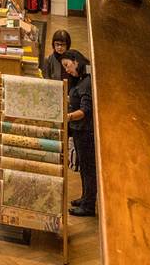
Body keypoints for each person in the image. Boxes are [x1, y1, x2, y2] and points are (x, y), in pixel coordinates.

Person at [62, 50, 96, 217]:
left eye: (67, 65)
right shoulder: (81, 79)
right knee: (84, 167)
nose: (67, 70)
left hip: (85, 131)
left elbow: (85, 110)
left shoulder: (87, 82)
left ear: (76, 61)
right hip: (78, 130)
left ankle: (89, 205)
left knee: (89, 169)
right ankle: (85, 198)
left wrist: (66, 117)